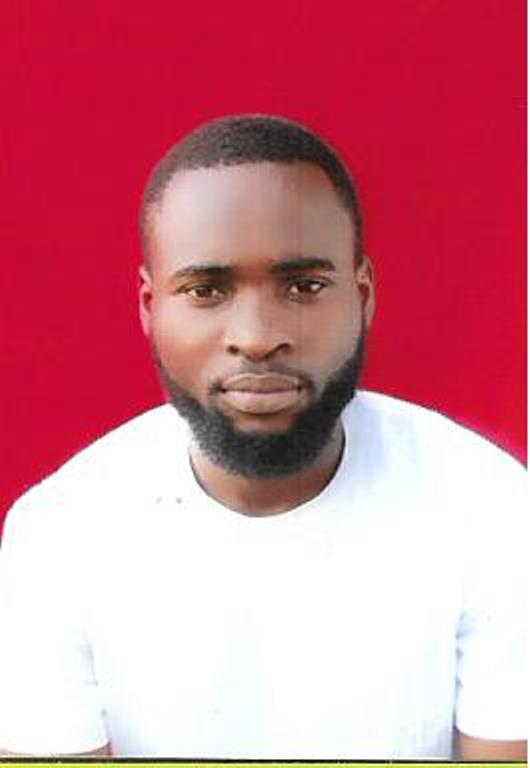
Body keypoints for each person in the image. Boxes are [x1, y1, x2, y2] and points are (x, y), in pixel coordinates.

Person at [0, 114, 526, 760]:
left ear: (363, 295)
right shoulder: (57, 535)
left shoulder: (492, 509)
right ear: (150, 307)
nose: (255, 336)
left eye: (304, 287)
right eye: (206, 290)